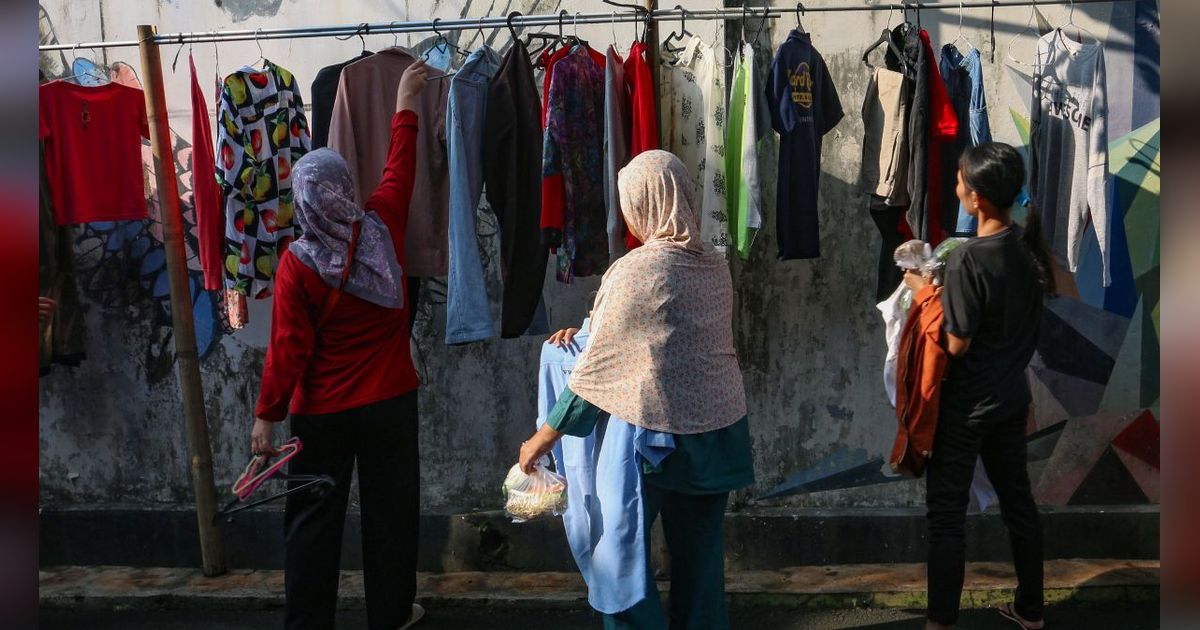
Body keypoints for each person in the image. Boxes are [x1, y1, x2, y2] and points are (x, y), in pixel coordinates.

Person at [519, 150, 754, 630]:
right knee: (703, 568)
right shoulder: (714, 264)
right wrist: (585, 334)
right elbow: (651, 337)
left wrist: (542, 439)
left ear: (643, 202)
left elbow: (599, 370)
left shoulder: (637, 270)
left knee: (620, 556)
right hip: (718, 434)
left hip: (653, 441)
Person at [250, 60, 430, 630]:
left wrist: (266, 417)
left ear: (303, 201)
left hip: (321, 413)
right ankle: (393, 613)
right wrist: (406, 98)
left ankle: (308, 622)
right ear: (344, 189)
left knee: (311, 522)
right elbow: (402, 164)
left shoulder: (296, 266)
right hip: (390, 406)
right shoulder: (383, 227)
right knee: (391, 515)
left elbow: (287, 350)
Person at [904, 142, 1056, 630]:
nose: (955, 187)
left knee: (946, 515)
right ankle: (1031, 610)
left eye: (959, 182)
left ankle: (941, 622)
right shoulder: (1025, 247)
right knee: (1019, 505)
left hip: (966, 407)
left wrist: (924, 292)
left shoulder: (972, 258)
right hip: (1011, 399)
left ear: (977, 199)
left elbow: (956, 344)